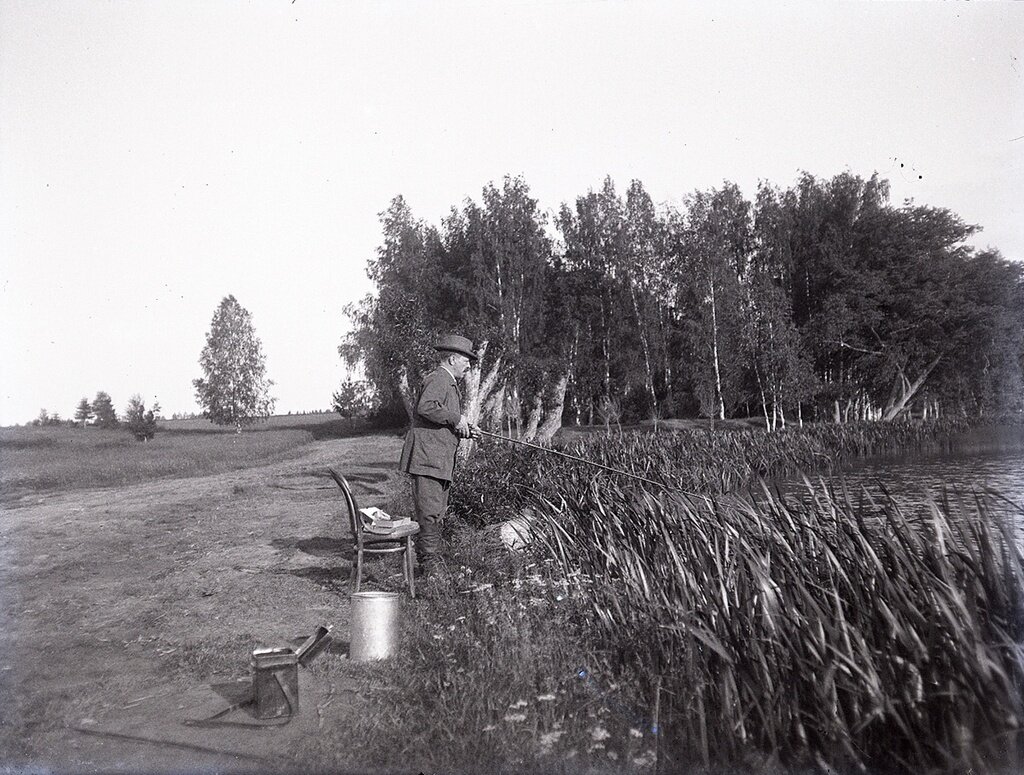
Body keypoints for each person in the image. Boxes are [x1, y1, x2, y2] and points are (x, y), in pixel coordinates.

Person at [398, 334, 480, 577]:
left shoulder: (448, 383)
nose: (469, 366)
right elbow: (426, 406)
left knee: (434, 511)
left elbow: (437, 417)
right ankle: (431, 571)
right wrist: (456, 419)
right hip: (428, 460)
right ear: (453, 359)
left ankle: (432, 567)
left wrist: (462, 429)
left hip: (437, 460)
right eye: (467, 360)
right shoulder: (440, 379)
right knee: (430, 512)